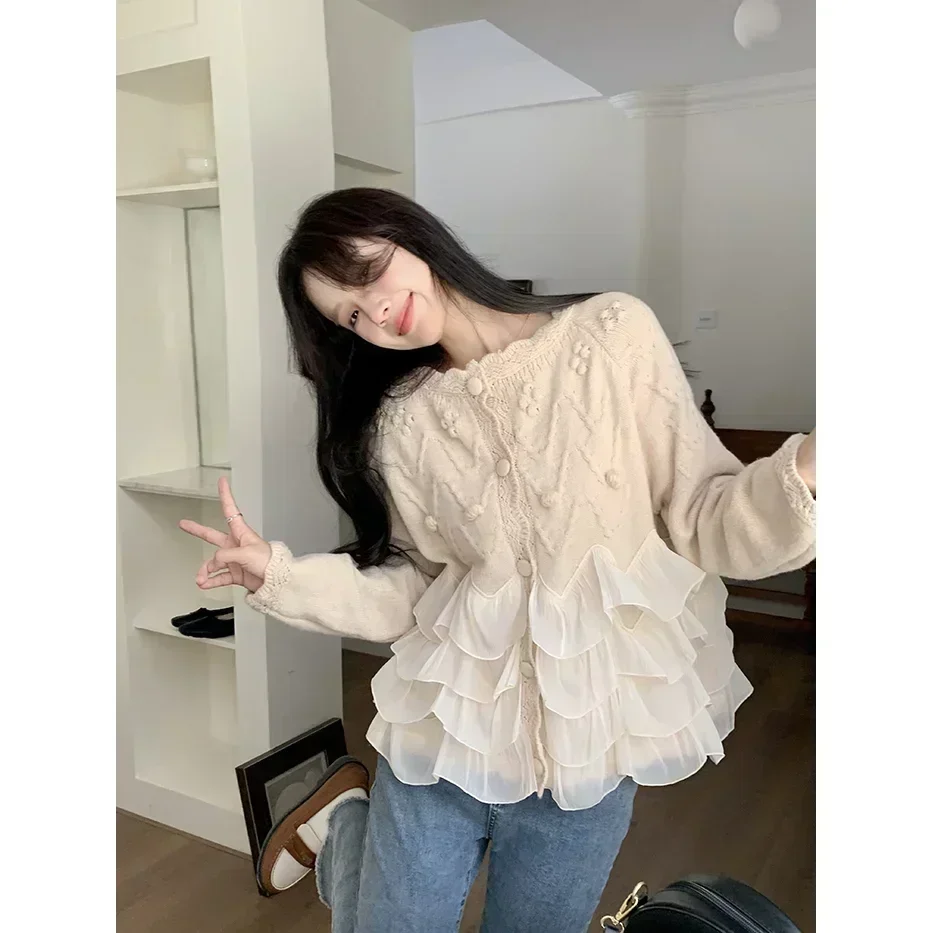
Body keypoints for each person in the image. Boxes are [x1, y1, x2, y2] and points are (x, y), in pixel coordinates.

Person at [180, 187, 816, 933]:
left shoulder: (611, 334)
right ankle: (350, 826)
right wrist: (282, 578)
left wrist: (808, 471)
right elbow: (418, 587)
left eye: (367, 273)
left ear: (410, 233)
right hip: (448, 731)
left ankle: (343, 825)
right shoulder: (401, 422)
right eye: (349, 317)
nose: (374, 314)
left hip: (584, 752)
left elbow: (703, 517)